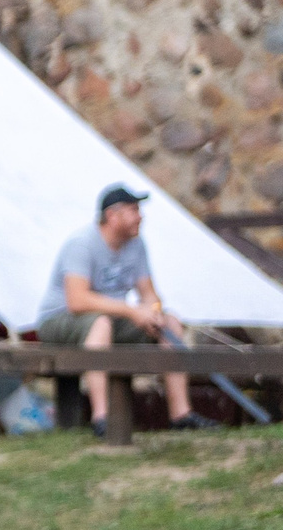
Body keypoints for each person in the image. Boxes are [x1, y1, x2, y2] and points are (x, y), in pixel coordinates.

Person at [35, 184, 215, 435]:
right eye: (134, 210)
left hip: (110, 319)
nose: (140, 216)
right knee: (100, 323)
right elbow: (77, 301)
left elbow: (149, 293)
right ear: (113, 216)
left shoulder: (136, 245)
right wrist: (132, 311)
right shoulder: (82, 244)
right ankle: (102, 418)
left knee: (170, 322)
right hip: (60, 322)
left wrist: (153, 312)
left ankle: (181, 415)